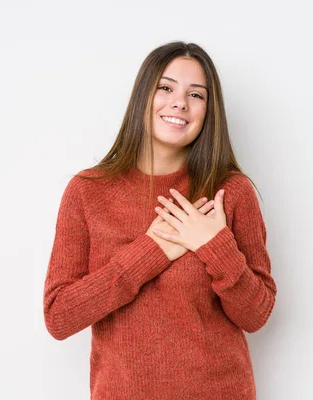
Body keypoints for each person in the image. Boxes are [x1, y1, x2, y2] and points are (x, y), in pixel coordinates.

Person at [43, 41, 277, 399]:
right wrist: (150, 253)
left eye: (196, 94)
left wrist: (214, 247)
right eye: (165, 87)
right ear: (143, 97)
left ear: (208, 111)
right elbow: (59, 316)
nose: (180, 102)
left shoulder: (230, 192)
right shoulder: (87, 192)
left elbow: (256, 315)